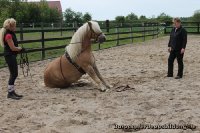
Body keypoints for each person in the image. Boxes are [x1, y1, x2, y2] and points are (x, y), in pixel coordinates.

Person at [0, 18, 25, 100]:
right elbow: (13, 48)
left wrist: (19, 49)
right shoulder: (8, 35)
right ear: (10, 26)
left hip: (11, 56)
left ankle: (12, 91)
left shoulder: (10, 33)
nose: (15, 27)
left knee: (14, 74)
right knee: (14, 74)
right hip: (9, 56)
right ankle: (10, 93)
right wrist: (20, 49)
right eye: (14, 26)